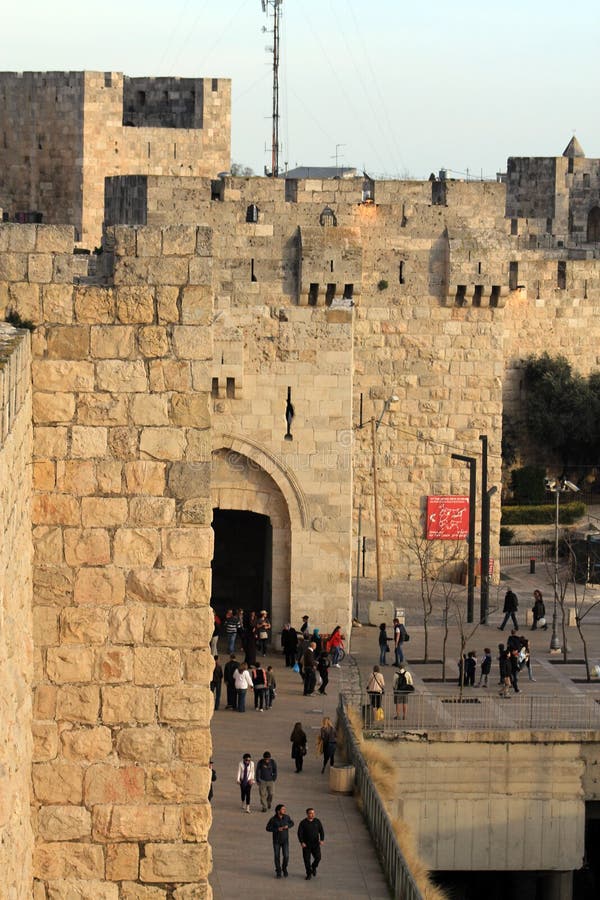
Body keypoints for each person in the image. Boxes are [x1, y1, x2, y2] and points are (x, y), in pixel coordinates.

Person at [266, 803, 294, 878]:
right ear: (278, 811)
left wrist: (288, 826)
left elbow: (292, 823)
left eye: (285, 809)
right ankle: (278, 871)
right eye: (283, 809)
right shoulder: (273, 819)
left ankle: (284, 868)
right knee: (277, 856)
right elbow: (267, 828)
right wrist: (277, 829)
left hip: (285, 841)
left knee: (286, 856)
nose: (284, 810)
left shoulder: (287, 817)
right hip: (276, 841)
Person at [297, 807, 325, 880]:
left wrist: (322, 839)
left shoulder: (317, 821)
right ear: (307, 814)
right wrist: (302, 842)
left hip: (315, 844)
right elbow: (299, 833)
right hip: (306, 845)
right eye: (310, 813)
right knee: (307, 860)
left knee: (318, 858)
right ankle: (309, 874)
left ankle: (313, 867)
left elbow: (321, 831)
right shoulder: (303, 823)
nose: (312, 814)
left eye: (313, 813)